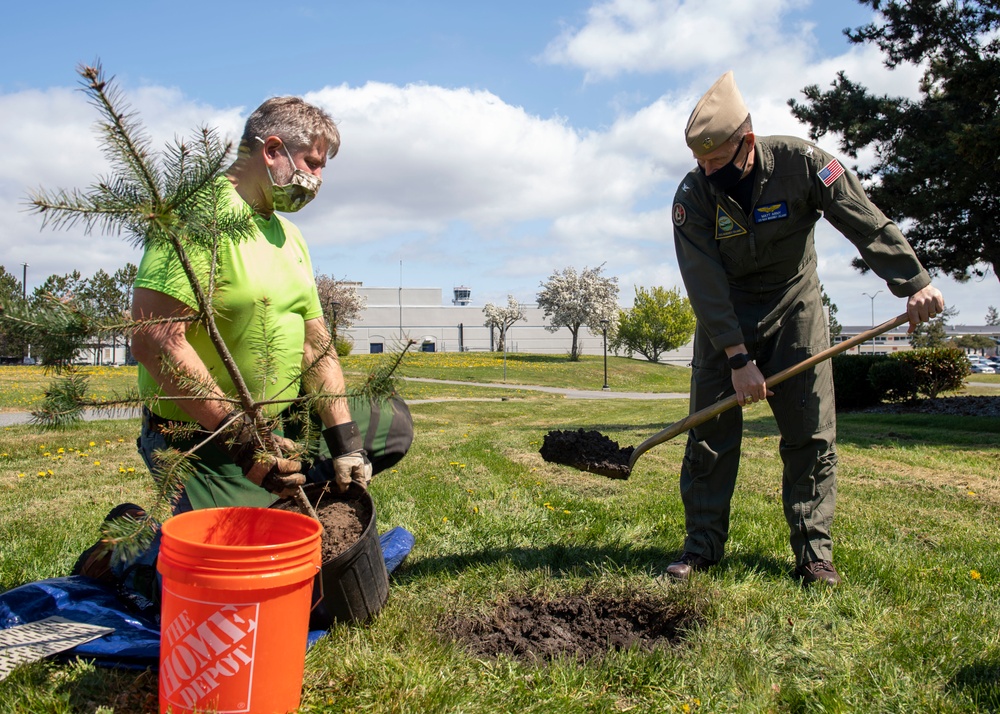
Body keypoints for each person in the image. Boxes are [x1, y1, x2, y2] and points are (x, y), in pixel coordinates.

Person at [72, 97, 376, 587]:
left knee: (392, 426)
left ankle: (292, 489)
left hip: (274, 422)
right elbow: (155, 341)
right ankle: (127, 545)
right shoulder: (198, 219)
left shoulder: (289, 236)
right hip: (200, 439)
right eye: (313, 164)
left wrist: (346, 445)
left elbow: (314, 342)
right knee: (222, 576)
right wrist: (244, 443)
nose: (319, 180)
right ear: (272, 149)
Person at [667, 71, 944, 585]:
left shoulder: (805, 164)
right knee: (709, 436)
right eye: (699, 162)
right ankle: (701, 549)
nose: (707, 170)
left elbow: (865, 219)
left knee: (810, 436)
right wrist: (736, 357)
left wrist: (913, 282)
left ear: (746, 142)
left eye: (717, 160)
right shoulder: (694, 195)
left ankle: (813, 555)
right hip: (724, 318)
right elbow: (703, 282)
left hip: (797, 313)